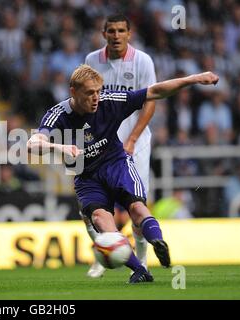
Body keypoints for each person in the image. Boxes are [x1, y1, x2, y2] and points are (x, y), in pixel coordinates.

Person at [27, 64, 218, 283]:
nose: (96, 97)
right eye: (89, 93)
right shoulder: (58, 114)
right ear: (73, 91)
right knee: (101, 219)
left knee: (136, 207)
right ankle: (140, 270)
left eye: (98, 91)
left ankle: (157, 242)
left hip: (116, 163)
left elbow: (154, 91)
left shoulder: (109, 101)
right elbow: (33, 144)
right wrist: (60, 148)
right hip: (87, 177)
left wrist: (194, 78)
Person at [84, 14, 156, 278]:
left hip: (134, 143)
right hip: (102, 144)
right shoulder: (92, 61)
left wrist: (133, 139)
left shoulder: (142, 61)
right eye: (111, 31)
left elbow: (150, 101)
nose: (116, 36)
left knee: (136, 203)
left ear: (129, 33)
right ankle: (101, 254)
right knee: (91, 205)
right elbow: (85, 99)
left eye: (120, 31)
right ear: (104, 34)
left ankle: (143, 260)